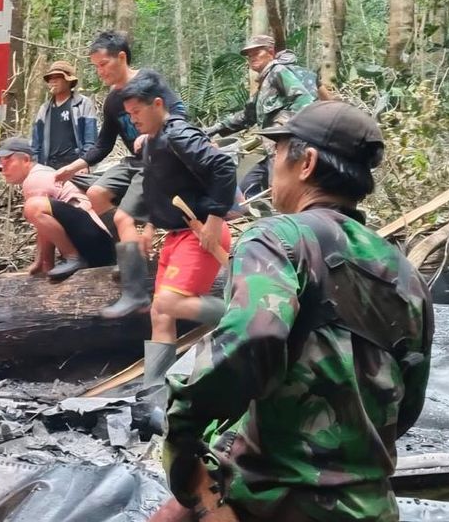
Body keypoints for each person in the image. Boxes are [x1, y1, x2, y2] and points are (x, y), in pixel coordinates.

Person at [157, 102, 433, 522]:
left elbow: (253, 338)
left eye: (275, 157)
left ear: (306, 163)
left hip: (278, 499)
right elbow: (408, 404)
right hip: (372, 505)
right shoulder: (406, 273)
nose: (271, 170)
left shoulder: (275, 238)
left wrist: (182, 427)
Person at [102, 71, 236, 389]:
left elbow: (224, 167)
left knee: (166, 304)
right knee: (160, 315)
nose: (133, 120)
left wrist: (214, 222)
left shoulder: (179, 134)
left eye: (137, 112)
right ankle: (155, 391)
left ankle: (242, 313)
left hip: (200, 231)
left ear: (158, 104)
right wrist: (149, 225)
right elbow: (157, 189)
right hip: (176, 235)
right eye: (129, 114)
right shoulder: (151, 142)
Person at [53, 32, 186, 305]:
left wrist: (152, 136)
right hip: (135, 162)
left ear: (121, 57)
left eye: (103, 64)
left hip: (161, 158)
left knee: (125, 216)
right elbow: (103, 143)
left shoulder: (149, 81)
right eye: (96, 66)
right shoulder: (114, 101)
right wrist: (73, 167)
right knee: (97, 194)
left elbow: (180, 114)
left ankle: (134, 285)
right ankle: (126, 253)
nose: (99, 72)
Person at [204, 34, 317, 199]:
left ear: (270, 52)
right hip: (271, 151)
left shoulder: (278, 71)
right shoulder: (264, 83)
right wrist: (213, 129)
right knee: (247, 189)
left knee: (279, 194)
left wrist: (282, 127)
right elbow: (246, 116)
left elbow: (304, 100)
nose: (252, 58)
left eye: (257, 53)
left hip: (286, 150)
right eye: (249, 56)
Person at [0, 137, 113, 280]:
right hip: (96, 240)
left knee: (33, 207)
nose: (3, 169)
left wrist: (46, 264)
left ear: (25, 159)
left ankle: (72, 257)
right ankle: (71, 258)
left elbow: (39, 216)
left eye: (8, 162)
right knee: (36, 209)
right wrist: (42, 263)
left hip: (96, 241)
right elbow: (45, 227)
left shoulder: (35, 178)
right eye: (1, 164)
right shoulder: (42, 172)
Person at [30, 60, 98, 171]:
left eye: (58, 77)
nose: (53, 81)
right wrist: (35, 166)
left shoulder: (83, 104)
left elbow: (90, 139)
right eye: (50, 78)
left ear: (68, 81)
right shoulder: (45, 109)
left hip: (75, 166)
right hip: (49, 167)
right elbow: (36, 143)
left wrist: (85, 164)